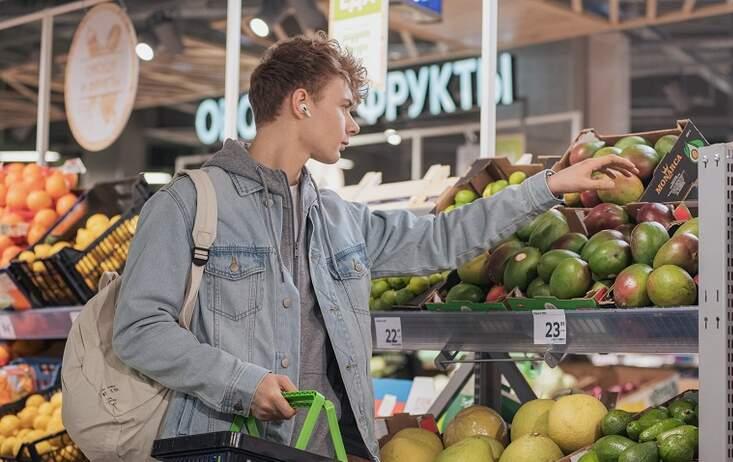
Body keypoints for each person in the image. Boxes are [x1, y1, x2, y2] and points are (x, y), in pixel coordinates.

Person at [113, 33, 637, 461]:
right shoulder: (187, 206)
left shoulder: (339, 219)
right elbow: (138, 330)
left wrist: (547, 186)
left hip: (329, 447)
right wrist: (241, 382)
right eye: (344, 107)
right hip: (227, 445)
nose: (354, 124)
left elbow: (442, 238)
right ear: (301, 102)